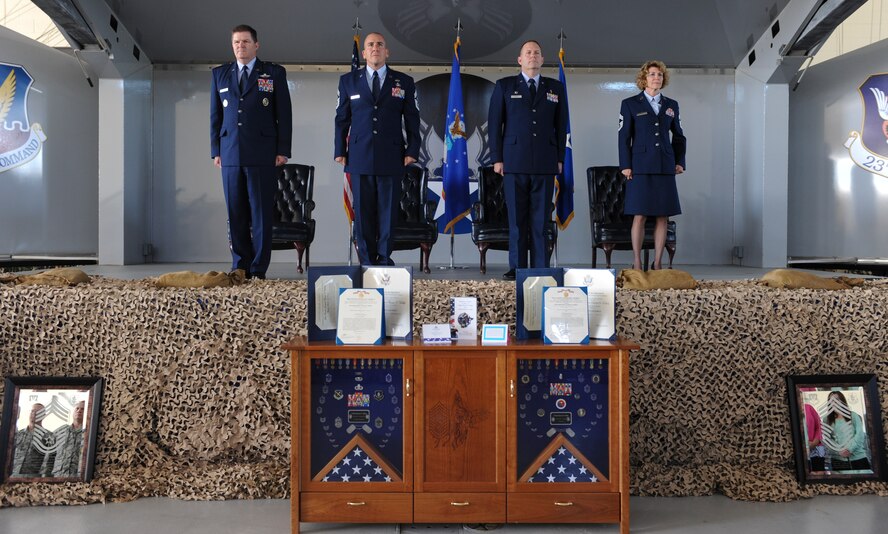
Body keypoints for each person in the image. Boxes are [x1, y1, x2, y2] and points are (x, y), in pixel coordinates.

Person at [211, 24, 292, 280]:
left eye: (245, 41)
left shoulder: (273, 73)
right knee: (235, 213)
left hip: (262, 153)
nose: (240, 46)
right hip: (230, 153)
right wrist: (216, 150)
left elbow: (284, 114)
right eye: (236, 42)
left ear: (256, 45)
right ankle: (240, 266)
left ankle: (258, 269)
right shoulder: (220, 74)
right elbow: (216, 116)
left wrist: (283, 149)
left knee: (260, 214)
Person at [334, 32, 420, 266]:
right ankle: (366, 260)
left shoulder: (403, 81)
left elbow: (412, 119)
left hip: (391, 155)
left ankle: (383, 258)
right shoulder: (348, 81)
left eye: (380, 44)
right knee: (363, 213)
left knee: (387, 211)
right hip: (359, 155)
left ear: (387, 52)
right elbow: (341, 118)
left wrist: (412, 150)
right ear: (363, 53)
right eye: (370, 45)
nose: (375, 48)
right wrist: (340, 150)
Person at [488, 40, 567, 280]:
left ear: (542, 60)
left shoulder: (555, 88)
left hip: (545, 161)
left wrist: (560, 158)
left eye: (537, 53)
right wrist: (497, 158)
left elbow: (561, 125)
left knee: (540, 220)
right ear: (520, 60)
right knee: (517, 220)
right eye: (528, 52)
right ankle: (517, 267)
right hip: (513, 161)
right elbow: (495, 125)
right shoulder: (504, 86)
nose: (533, 56)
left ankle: (540, 267)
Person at [618, 60, 686, 271]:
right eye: (652, 74)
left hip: (665, 166)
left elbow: (679, 136)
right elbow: (624, 137)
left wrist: (679, 161)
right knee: (639, 215)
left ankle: (657, 263)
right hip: (640, 166)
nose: (656, 77)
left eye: (660, 74)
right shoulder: (630, 104)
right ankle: (637, 262)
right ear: (644, 78)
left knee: (662, 215)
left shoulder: (671, 105)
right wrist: (625, 165)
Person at [821, 390, 871, 471]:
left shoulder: (853, 415)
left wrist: (849, 449)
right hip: (838, 460)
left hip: (858, 457)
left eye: (837, 399)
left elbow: (860, 434)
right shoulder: (826, 419)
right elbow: (827, 439)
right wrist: (839, 451)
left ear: (842, 401)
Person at [12, 402, 54, 477]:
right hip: (13, 476)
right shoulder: (18, 434)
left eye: (38, 412)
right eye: (32, 411)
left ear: (44, 416)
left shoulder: (49, 437)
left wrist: (42, 479)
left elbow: (49, 462)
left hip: (33, 478)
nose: (34, 414)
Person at [52, 400, 86, 478]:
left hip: (78, 479)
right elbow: (50, 456)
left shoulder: (89, 433)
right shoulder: (60, 432)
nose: (79, 411)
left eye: (82, 409)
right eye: (77, 408)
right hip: (58, 477)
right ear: (73, 412)